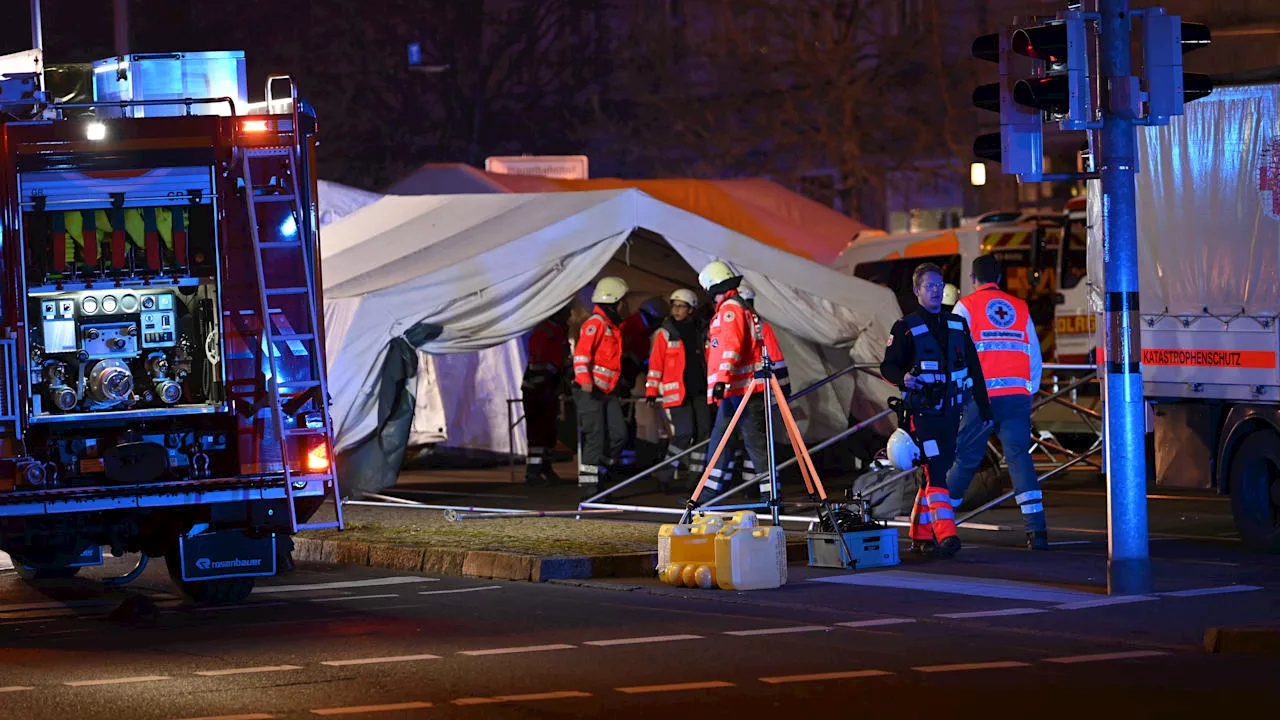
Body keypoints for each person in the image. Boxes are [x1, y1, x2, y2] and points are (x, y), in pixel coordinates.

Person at [880, 262, 992, 558]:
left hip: (951, 414)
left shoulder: (957, 324)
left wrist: (984, 406)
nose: (936, 291)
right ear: (917, 291)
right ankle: (947, 534)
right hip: (922, 414)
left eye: (939, 286)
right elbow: (887, 366)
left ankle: (920, 535)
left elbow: (975, 369)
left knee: (932, 474)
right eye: (929, 286)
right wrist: (902, 378)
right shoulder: (905, 327)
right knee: (938, 471)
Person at [945, 254, 1048, 550]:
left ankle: (939, 523)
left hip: (981, 397)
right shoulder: (1019, 307)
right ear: (1000, 278)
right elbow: (1034, 355)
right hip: (1016, 396)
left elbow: (956, 354)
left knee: (966, 459)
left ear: (972, 279)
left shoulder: (965, 306)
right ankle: (1036, 530)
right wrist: (1030, 391)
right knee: (1019, 458)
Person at [697, 261, 778, 503]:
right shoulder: (738, 307)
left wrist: (721, 380)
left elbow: (731, 348)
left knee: (754, 442)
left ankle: (771, 495)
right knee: (723, 438)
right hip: (738, 387)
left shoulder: (730, 310)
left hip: (741, 387)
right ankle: (709, 492)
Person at [645, 289, 710, 493]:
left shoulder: (701, 330)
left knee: (703, 435)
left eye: (681, 306)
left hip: (701, 390)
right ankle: (664, 475)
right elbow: (655, 364)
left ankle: (695, 478)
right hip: (679, 393)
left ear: (691, 309)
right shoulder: (666, 332)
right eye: (674, 306)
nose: (676, 310)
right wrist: (651, 391)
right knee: (683, 433)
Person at [573, 277, 629, 495]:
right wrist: (586, 383)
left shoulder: (610, 326)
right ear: (614, 300)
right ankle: (590, 487)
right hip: (590, 391)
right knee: (595, 437)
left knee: (619, 434)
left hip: (606, 390)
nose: (624, 306)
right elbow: (581, 357)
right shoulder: (595, 324)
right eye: (622, 301)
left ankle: (600, 473)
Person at [521, 304, 571, 485]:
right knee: (537, 432)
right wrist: (558, 373)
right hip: (536, 389)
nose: (570, 314)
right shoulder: (543, 332)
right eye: (567, 311)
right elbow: (540, 363)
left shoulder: (560, 332)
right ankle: (532, 472)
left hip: (550, 388)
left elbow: (563, 359)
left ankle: (546, 468)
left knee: (550, 432)